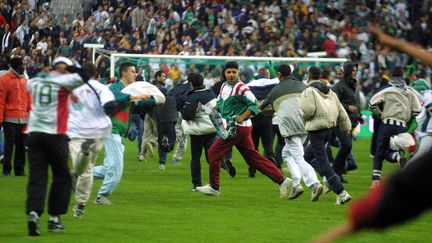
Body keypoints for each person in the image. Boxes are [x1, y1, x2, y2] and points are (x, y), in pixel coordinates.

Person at [312, 23, 432, 242]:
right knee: (353, 150)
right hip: (350, 122)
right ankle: (339, 174)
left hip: (369, 122)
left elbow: (372, 102)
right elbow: (417, 110)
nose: (356, 73)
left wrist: (372, 114)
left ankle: (353, 176)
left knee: (376, 154)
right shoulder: (342, 86)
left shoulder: (362, 86)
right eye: (354, 70)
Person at [195, 61, 291, 197]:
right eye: (229, 72)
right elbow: (221, 104)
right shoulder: (224, 86)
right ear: (224, 73)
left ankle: (214, 187)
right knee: (253, 158)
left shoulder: (242, 88)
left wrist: (242, 117)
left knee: (213, 153)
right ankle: (282, 181)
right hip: (240, 128)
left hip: (238, 127)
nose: (231, 75)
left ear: (238, 73)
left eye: (234, 72)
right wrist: (207, 110)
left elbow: (255, 105)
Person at [26, 57, 88, 236]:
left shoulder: (35, 80)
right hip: (56, 134)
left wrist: (42, 71)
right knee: (62, 176)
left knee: (37, 176)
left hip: (35, 133)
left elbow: (30, 79)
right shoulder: (64, 80)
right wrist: (70, 69)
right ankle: (54, 219)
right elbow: (85, 75)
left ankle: (33, 213)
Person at [93, 62, 155, 204]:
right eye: (132, 71)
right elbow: (115, 100)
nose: (135, 74)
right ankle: (101, 196)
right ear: (124, 73)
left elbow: (136, 107)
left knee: (108, 168)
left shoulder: (129, 90)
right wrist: (132, 97)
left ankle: (78, 175)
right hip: (112, 129)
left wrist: (153, 101)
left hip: (119, 132)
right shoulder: (115, 87)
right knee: (116, 169)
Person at [261, 64, 324, 201]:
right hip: (304, 124)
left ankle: (314, 184)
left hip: (290, 127)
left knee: (299, 157)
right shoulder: (302, 86)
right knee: (286, 153)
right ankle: (296, 184)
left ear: (279, 75)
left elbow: (262, 107)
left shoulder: (275, 90)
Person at [68, 62, 116, 218]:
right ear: (97, 74)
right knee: (88, 169)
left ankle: (77, 169)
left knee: (82, 165)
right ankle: (81, 204)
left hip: (76, 131)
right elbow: (110, 105)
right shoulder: (102, 88)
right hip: (97, 132)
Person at [301, 66, 352, 205]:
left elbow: (308, 111)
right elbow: (341, 110)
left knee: (323, 163)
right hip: (328, 129)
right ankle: (329, 178)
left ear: (309, 76)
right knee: (307, 157)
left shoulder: (308, 91)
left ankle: (341, 192)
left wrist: (303, 115)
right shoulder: (330, 91)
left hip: (316, 130)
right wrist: (346, 127)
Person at [181, 73, 236, 191]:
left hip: (199, 130)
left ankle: (196, 184)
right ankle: (223, 162)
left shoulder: (192, 97)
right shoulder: (210, 93)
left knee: (195, 159)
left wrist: (184, 110)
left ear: (190, 83)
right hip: (212, 128)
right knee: (211, 155)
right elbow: (211, 109)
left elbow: (188, 115)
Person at [369, 66, 421, 188]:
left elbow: (372, 103)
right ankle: (398, 157)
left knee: (380, 152)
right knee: (395, 150)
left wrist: (379, 113)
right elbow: (417, 111)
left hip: (387, 123)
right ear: (403, 77)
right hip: (402, 126)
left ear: (392, 77)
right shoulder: (409, 92)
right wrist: (408, 118)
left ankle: (375, 181)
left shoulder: (387, 90)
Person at [0, 57, 31, 176]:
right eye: (21, 66)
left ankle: (19, 169)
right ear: (16, 66)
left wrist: (30, 113)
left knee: (21, 146)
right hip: (10, 118)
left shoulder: (24, 80)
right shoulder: (4, 80)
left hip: (23, 118)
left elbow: (28, 98)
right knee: (9, 146)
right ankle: (6, 170)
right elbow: (1, 101)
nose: (23, 67)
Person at [332, 61, 362, 182]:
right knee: (346, 145)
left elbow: (354, 103)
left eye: (356, 70)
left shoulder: (353, 85)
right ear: (348, 71)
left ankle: (337, 173)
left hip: (350, 121)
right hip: (340, 121)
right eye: (353, 70)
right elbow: (333, 103)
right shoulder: (338, 86)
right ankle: (335, 170)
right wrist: (347, 107)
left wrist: (358, 115)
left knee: (346, 147)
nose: (355, 72)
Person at [247, 68, 279, 178]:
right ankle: (273, 167)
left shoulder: (249, 84)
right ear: (267, 74)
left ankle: (252, 171)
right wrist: (293, 65)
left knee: (253, 147)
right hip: (267, 116)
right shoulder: (273, 82)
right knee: (268, 145)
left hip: (253, 117)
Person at [151, 70, 178, 170]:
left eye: (165, 76)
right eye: (163, 76)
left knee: (162, 140)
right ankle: (165, 153)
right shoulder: (159, 89)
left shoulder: (158, 88)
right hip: (166, 118)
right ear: (157, 77)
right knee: (171, 139)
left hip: (161, 118)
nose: (165, 78)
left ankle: (162, 162)